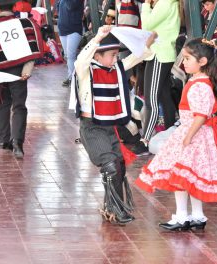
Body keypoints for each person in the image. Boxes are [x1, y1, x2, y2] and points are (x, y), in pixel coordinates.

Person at [135, 38, 217, 231]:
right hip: (198, 134)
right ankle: (197, 215)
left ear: (203, 62)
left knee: (180, 177)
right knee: (190, 178)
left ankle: (182, 216)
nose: (184, 62)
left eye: (188, 58)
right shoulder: (200, 81)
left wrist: (188, 136)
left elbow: (200, 116)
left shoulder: (200, 84)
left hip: (194, 135)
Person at [73, 25, 157, 224]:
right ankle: (117, 210)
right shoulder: (86, 71)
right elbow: (80, 61)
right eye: (112, 54)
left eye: (117, 55)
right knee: (110, 165)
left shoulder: (115, 69)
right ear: (97, 55)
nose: (116, 59)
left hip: (109, 127)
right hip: (91, 127)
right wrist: (98, 38)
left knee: (118, 166)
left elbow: (135, 58)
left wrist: (147, 43)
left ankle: (111, 207)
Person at [0, 0, 43, 158]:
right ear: (14, 7)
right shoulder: (25, 24)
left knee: (1, 103)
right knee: (19, 106)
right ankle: (17, 142)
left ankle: (4, 139)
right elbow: (32, 49)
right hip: (19, 73)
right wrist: (27, 70)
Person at [131, 0, 181, 155]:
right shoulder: (170, 3)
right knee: (165, 97)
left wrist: (146, 5)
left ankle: (145, 140)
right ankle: (169, 134)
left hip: (159, 55)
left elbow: (146, 24)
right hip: (163, 54)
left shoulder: (165, 3)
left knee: (151, 99)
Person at [57, 0, 84, 87]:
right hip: (63, 29)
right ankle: (71, 77)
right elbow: (58, 8)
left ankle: (73, 78)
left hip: (74, 29)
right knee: (67, 55)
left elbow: (70, 6)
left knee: (71, 55)